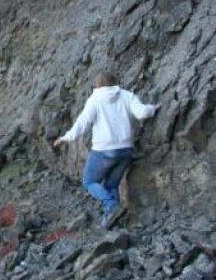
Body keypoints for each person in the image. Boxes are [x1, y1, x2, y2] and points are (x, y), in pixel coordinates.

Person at [53, 72, 161, 229]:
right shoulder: (126, 95)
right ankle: (114, 222)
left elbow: (82, 123)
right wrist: (153, 108)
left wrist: (66, 138)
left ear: (97, 86)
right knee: (111, 185)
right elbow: (142, 113)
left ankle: (111, 207)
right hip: (126, 150)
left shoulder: (95, 100)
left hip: (104, 151)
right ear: (115, 82)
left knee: (89, 181)